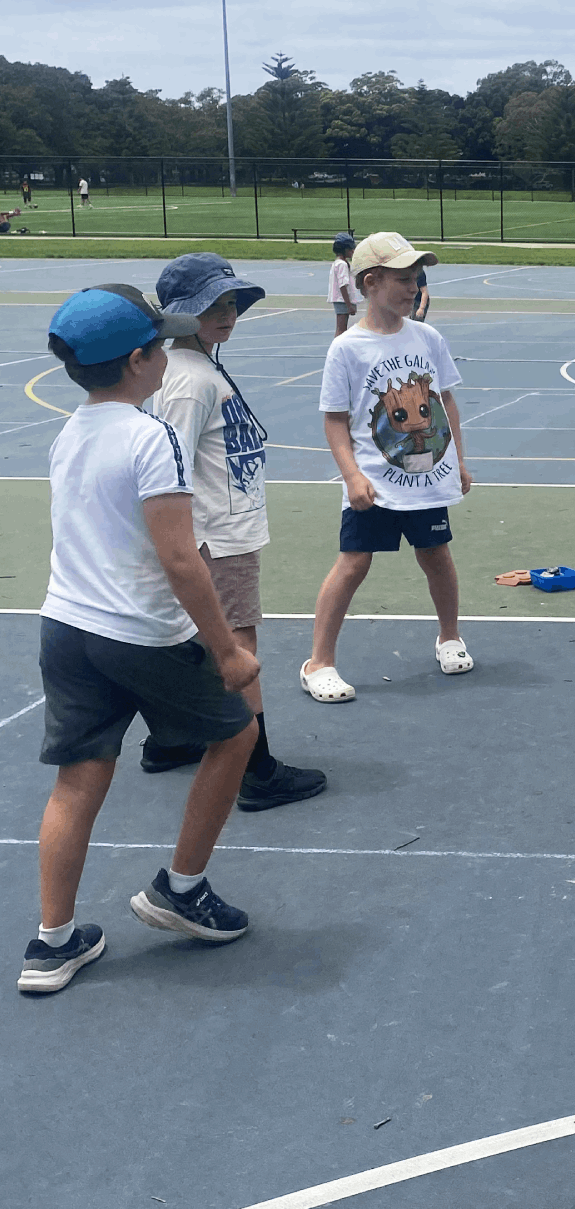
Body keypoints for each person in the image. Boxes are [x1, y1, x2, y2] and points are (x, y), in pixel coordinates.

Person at [19, 285, 261, 996]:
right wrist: (226, 650)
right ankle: (181, 889)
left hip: (66, 626)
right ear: (138, 360)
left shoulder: (71, 430)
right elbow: (180, 559)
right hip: (140, 633)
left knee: (80, 777)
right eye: (160, 345)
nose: (167, 355)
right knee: (238, 732)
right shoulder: (149, 436)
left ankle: (52, 941)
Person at [147, 252, 327, 811]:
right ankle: (256, 767)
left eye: (230, 304)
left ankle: (172, 738)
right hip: (217, 536)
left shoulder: (202, 368)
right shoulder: (190, 381)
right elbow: (167, 466)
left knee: (196, 643)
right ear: (182, 315)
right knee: (237, 644)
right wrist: (189, 544)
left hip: (226, 528)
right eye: (211, 306)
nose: (226, 315)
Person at [302, 233, 474, 703]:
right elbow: (335, 423)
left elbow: (446, 402)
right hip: (374, 485)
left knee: (436, 554)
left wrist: (458, 458)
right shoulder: (347, 349)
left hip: (427, 480)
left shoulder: (429, 339)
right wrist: (352, 476)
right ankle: (320, 662)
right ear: (371, 282)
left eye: (417, 279)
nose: (413, 288)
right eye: (403, 279)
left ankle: (449, 636)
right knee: (354, 563)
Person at [329, 233, 359, 336]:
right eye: (350, 249)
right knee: (341, 329)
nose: (353, 251)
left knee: (342, 327)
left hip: (342, 299)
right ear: (344, 250)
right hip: (342, 300)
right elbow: (343, 285)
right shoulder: (341, 265)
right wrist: (349, 304)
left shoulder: (340, 263)